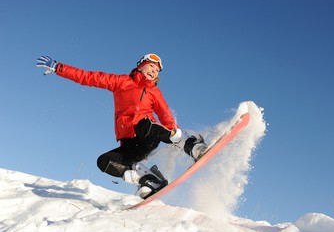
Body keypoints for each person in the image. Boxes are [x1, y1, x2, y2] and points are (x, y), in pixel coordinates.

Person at [36, 54, 207, 199]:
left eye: (156, 71)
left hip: (148, 134)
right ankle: (149, 180)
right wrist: (60, 68)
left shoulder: (154, 92)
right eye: (151, 67)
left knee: (143, 124)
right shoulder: (121, 82)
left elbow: (165, 115)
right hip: (130, 143)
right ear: (140, 66)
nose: (153, 72)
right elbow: (88, 77)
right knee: (104, 162)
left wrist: (174, 133)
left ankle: (191, 146)